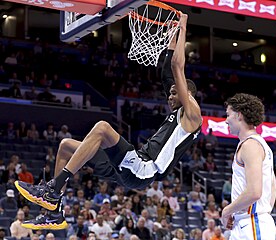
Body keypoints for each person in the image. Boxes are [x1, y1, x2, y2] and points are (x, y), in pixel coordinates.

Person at [15, 12, 202, 230]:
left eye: (174, 93)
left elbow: (177, 67)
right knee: (66, 147)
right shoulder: (179, 111)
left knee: (103, 128)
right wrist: (172, 33)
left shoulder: (192, 115)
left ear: (187, 92)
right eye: (169, 93)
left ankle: (53, 189)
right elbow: (167, 69)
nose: (169, 96)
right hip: (129, 168)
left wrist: (184, 26)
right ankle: (53, 213)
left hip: (143, 169)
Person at [221, 93, 276, 240]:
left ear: (239, 115)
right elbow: (273, 188)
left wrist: (227, 210)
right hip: (250, 222)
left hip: (253, 223)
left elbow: (254, 192)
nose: (226, 120)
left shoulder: (250, 145)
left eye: (228, 115)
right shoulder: (257, 143)